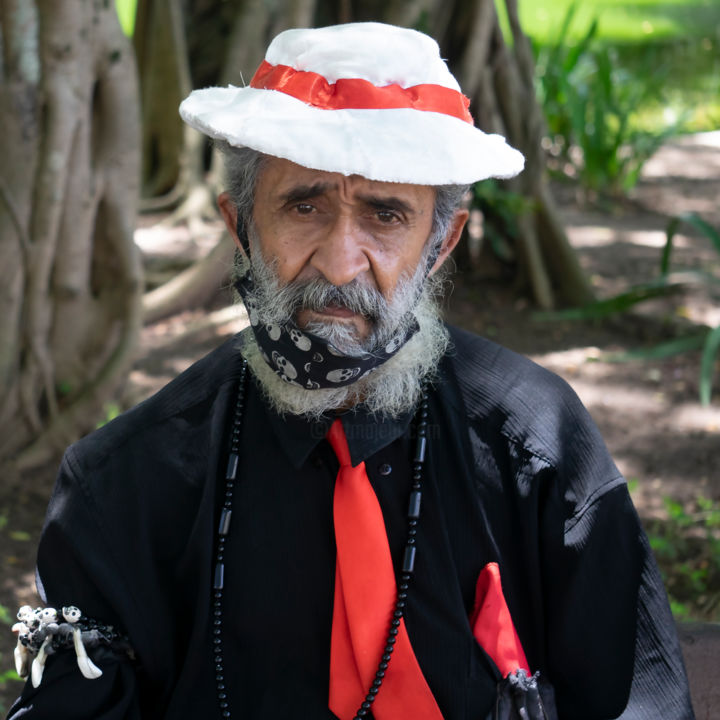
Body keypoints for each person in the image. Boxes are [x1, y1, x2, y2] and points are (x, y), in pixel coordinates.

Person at [8, 22, 693, 720]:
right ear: (239, 226)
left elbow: (638, 699)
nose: (341, 262)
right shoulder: (125, 484)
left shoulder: (538, 448)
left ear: (440, 243)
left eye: (386, 214)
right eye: (304, 206)